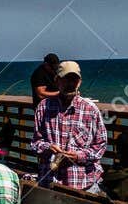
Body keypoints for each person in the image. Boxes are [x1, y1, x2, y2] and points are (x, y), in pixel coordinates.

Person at [32, 60, 105, 192]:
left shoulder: (90, 109)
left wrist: (78, 156)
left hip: (83, 183)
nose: (70, 84)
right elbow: (36, 142)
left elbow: (100, 146)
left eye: (74, 80)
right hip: (50, 180)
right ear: (57, 81)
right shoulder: (43, 107)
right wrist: (48, 148)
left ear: (80, 82)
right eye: (66, 79)